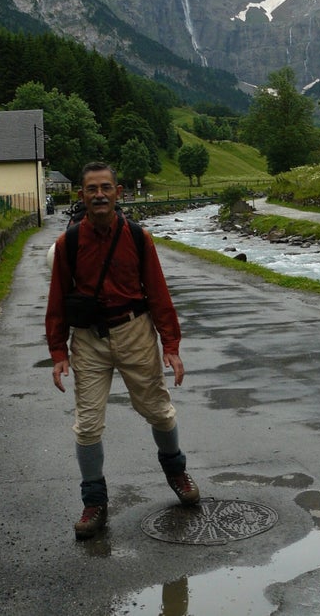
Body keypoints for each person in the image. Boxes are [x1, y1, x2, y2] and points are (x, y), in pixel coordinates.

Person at [45, 161, 199, 540]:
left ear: (118, 192)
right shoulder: (68, 244)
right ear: (82, 195)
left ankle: (176, 471)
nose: (99, 195)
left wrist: (171, 344)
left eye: (106, 188)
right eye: (92, 189)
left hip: (135, 332)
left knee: (159, 411)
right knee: (87, 424)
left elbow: (158, 291)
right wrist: (58, 352)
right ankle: (94, 501)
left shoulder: (138, 236)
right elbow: (57, 300)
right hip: (89, 341)